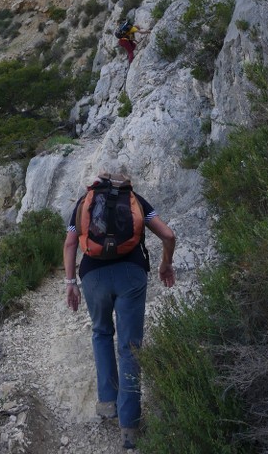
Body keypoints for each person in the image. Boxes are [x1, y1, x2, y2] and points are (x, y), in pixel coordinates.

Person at [63, 167, 176, 450]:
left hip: (93, 277)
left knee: (101, 332)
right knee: (130, 346)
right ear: (125, 184)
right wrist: (165, 264)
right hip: (131, 274)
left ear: (96, 185)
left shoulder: (83, 203)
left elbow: (70, 243)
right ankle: (129, 426)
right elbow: (168, 235)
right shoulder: (136, 200)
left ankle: (107, 402)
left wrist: (70, 283)